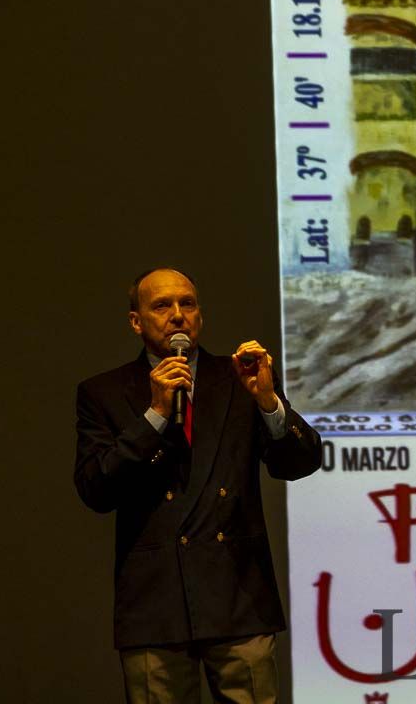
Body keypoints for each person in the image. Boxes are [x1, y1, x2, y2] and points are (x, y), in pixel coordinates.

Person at [74, 267, 321, 703]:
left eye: (187, 304)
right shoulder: (104, 393)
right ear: (136, 321)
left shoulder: (240, 378)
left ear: (200, 316)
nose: (177, 315)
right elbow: (96, 490)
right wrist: (152, 416)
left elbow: (299, 463)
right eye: (162, 306)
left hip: (238, 598)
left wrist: (267, 402)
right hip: (154, 605)